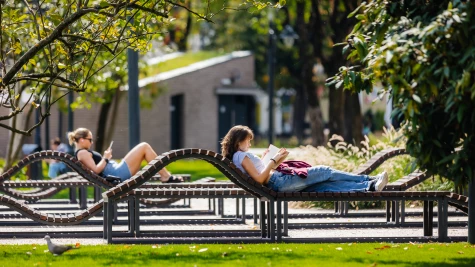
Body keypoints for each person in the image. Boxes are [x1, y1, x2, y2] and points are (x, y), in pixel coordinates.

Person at [220, 125, 389, 193]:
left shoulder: (238, 157)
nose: (250, 142)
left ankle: (369, 187)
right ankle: (368, 179)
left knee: (326, 186)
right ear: (238, 141)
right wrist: (272, 161)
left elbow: (261, 174)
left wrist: (274, 159)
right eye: (248, 139)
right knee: (325, 171)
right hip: (279, 182)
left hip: (278, 181)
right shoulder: (241, 156)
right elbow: (259, 179)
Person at [67, 128, 183, 183]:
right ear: (82, 140)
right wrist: (105, 158)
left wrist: (105, 158)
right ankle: (166, 176)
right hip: (117, 173)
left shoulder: (82, 153)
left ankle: (166, 176)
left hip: (116, 170)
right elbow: (96, 170)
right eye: (90, 139)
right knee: (144, 146)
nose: (92, 142)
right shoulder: (82, 153)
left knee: (144, 149)